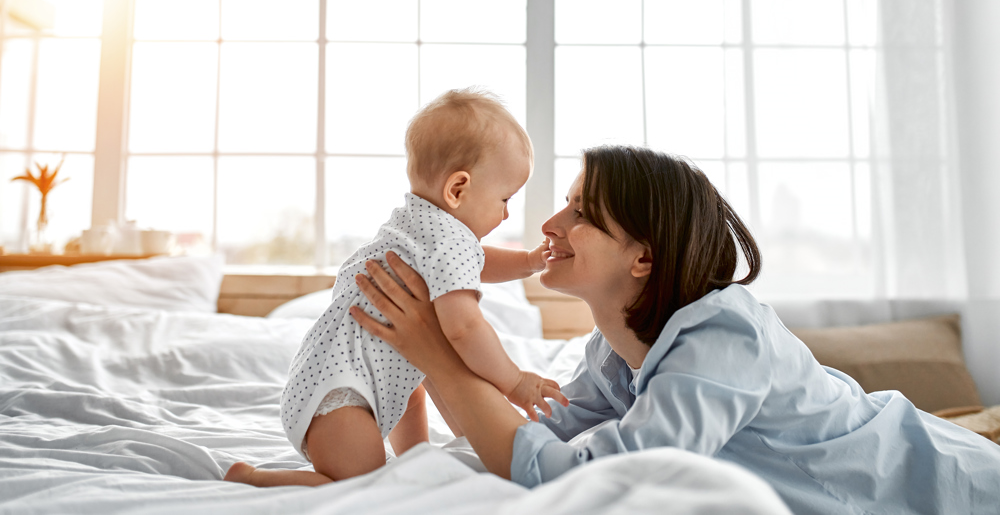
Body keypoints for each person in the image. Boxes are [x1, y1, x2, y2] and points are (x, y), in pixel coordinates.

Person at [351, 145, 1000, 514]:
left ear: (644, 257)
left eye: (581, 213)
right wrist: (436, 334)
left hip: (954, 488)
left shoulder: (724, 339)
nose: (549, 224)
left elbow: (577, 476)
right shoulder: (615, 350)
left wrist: (437, 353)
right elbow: (518, 439)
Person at [225, 89, 567, 487]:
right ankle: (251, 479)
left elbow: (473, 261)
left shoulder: (418, 223)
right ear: (458, 189)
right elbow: (464, 329)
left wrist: (526, 262)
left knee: (411, 388)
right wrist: (514, 381)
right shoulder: (448, 240)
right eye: (505, 198)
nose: (507, 211)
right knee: (360, 485)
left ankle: (416, 459)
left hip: (332, 378)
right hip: (341, 396)